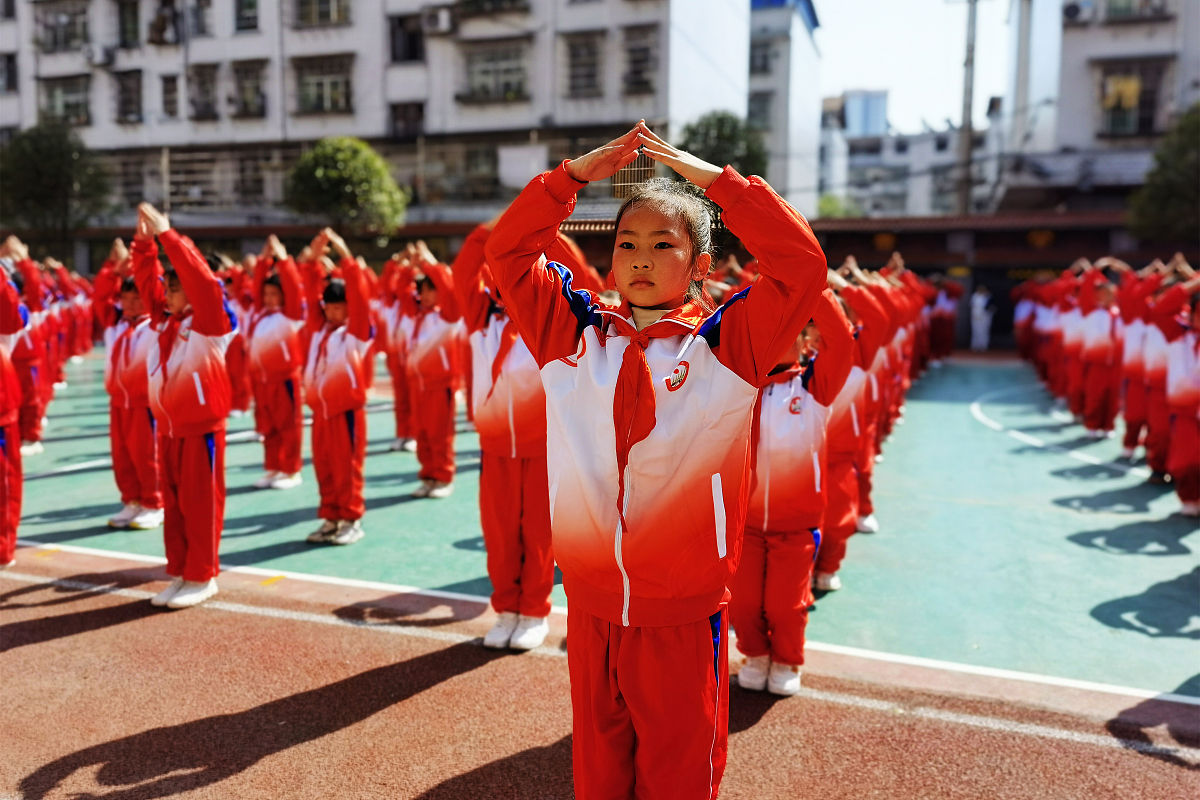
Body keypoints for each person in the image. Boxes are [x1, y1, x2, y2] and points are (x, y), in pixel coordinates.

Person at [484, 121, 828, 799]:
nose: (640, 258)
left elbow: (801, 266)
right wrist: (569, 181)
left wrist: (720, 185)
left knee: (678, 771)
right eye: (627, 244)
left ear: (700, 265)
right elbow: (508, 253)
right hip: (590, 605)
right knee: (599, 769)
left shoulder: (729, 348)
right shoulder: (572, 335)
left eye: (663, 244)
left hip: (681, 612)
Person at [730, 279, 853, 697]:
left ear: (804, 344)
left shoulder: (814, 388)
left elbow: (842, 343)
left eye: (788, 334)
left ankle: (786, 658)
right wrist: (762, 285)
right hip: (742, 524)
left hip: (796, 525)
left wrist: (812, 284)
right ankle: (755, 654)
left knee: (785, 605)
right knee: (744, 604)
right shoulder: (738, 386)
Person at [453, 219, 560, 651]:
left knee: (538, 535)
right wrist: (490, 232)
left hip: (542, 449)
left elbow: (584, 278)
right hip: (494, 448)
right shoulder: (482, 318)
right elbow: (462, 271)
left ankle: (533, 611)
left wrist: (540, 230)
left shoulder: (549, 321)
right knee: (499, 535)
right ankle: (506, 610)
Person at [131, 202, 237, 610]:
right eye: (169, 288)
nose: (167, 292)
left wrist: (167, 236)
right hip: (170, 429)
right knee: (174, 505)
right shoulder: (164, 321)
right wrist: (143, 246)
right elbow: (146, 281)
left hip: (201, 432)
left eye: (174, 287)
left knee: (199, 505)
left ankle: (202, 575)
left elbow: (205, 284)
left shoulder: (211, 322)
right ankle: (180, 570)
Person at [301, 230, 373, 545]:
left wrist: (346, 257)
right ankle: (331, 517)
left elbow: (360, 298)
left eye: (339, 306)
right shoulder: (319, 331)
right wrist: (313, 260)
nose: (332, 311)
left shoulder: (356, 334)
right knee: (325, 469)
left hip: (346, 414)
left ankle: (351, 519)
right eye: (328, 306)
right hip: (321, 413)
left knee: (347, 469)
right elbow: (307, 292)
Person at [93, 239, 164, 529]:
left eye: (138, 298)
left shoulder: (157, 326)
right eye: (127, 298)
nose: (131, 303)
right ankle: (131, 501)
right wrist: (112, 269)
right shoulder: (116, 324)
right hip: (118, 403)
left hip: (144, 404)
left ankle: (154, 503)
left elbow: (156, 289)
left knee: (147, 456)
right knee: (122, 456)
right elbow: (100, 297)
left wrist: (142, 256)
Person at [399, 242, 464, 499]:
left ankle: (443, 477)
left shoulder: (446, 319)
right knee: (423, 435)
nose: (424, 296)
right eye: (422, 291)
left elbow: (450, 290)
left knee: (440, 435)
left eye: (429, 291)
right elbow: (400, 290)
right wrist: (408, 266)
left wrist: (430, 264)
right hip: (418, 386)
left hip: (439, 387)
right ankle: (428, 476)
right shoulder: (415, 316)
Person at [245, 235, 306, 491]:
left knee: (288, 427)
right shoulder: (260, 313)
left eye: (274, 294)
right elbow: (258, 283)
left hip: (285, 381)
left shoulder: (292, 316)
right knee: (268, 427)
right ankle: (273, 467)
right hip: (262, 381)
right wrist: (263, 259)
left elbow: (293, 287)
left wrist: (282, 259)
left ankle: (291, 470)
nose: (269, 299)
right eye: (266, 294)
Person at [0, 237, 30, 568]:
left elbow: (10, 305)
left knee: (2, 487)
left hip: (1, 416)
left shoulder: (10, 319)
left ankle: (3, 548)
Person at [970, 284, 994, 352]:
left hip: (985, 317)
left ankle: (983, 346)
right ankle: (975, 346)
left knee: (984, 331)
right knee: (976, 331)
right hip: (976, 317)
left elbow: (991, 307)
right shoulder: (975, 296)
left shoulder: (988, 296)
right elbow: (973, 307)